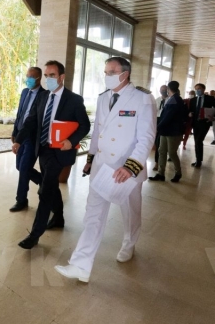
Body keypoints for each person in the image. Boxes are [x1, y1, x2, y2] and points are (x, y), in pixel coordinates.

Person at [54, 57, 155, 282]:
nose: (107, 75)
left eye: (112, 71)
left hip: (126, 169)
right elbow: (99, 130)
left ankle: (130, 243)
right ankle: (80, 266)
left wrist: (131, 166)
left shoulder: (143, 98)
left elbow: (146, 137)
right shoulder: (103, 98)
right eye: (105, 71)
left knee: (131, 211)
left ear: (125, 74)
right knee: (93, 216)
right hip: (102, 166)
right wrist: (90, 159)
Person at [12, 60, 90, 249]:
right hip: (44, 149)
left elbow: (85, 125)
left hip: (61, 151)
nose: (48, 79)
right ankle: (59, 218)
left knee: (45, 190)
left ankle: (35, 235)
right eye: (46, 76)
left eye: (52, 75)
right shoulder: (43, 97)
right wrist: (19, 140)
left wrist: (71, 141)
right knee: (50, 185)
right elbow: (31, 120)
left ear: (62, 77)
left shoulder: (74, 100)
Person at [9, 66, 49, 211]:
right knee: (19, 166)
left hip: (32, 138)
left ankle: (21, 200)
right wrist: (15, 132)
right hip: (20, 134)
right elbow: (20, 114)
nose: (28, 79)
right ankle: (44, 183)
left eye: (32, 77)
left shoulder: (45, 95)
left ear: (39, 78)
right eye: (27, 76)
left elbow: (36, 120)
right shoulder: (25, 92)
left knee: (24, 168)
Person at [149, 80, 186, 183]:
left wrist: (158, 127)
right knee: (161, 151)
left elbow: (168, 116)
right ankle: (161, 173)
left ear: (169, 89)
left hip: (173, 131)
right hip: (165, 130)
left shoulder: (176, 100)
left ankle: (178, 173)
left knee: (172, 153)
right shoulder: (172, 99)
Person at [189, 83, 215, 168]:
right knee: (197, 141)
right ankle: (198, 159)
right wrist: (189, 113)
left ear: (203, 89)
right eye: (196, 89)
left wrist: (214, 117)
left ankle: (199, 161)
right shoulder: (193, 100)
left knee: (199, 140)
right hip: (195, 123)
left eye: (199, 89)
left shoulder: (210, 99)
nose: (197, 90)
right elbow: (189, 110)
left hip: (205, 123)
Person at [150, 85, 169, 174]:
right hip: (157, 121)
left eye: (165, 90)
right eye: (161, 90)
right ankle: (157, 163)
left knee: (164, 146)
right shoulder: (157, 100)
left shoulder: (170, 100)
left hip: (166, 122)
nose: (163, 91)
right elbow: (153, 112)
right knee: (158, 144)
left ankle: (162, 163)